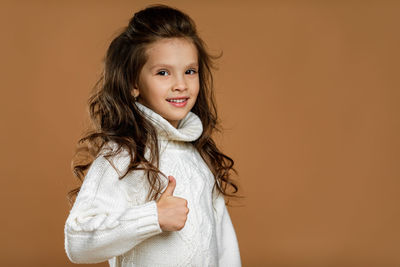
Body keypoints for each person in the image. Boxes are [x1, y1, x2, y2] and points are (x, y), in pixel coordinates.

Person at [64, 4, 242, 267]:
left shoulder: (198, 156)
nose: (181, 84)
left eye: (190, 71)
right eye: (163, 72)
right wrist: (153, 218)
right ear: (134, 83)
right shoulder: (122, 155)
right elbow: (77, 242)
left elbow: (225, 246)